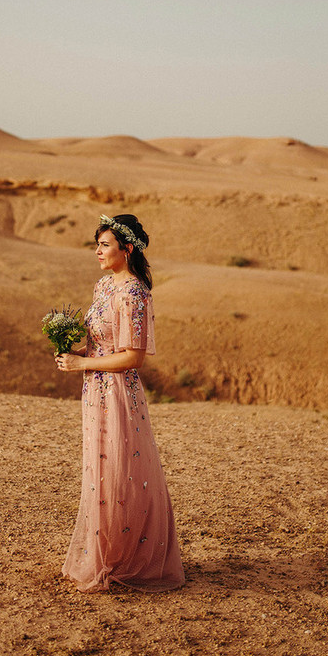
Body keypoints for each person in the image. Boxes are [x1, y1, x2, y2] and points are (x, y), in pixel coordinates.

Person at [55, 213, 185, 593]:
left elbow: (133, 356)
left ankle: (126, 560)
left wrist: (85, 363)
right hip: (94, 390)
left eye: (105, 244)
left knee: (119, 472)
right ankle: (104, 552)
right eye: (97, 244)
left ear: (126, 249)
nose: (98, 251)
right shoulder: (102, 286)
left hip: (117, 393)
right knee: (98, 473)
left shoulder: (135, 294)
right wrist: (76, 353)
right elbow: (102, 343)